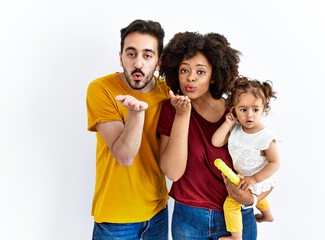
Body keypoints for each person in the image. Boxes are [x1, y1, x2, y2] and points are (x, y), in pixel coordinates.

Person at [157, 31, 270, 240]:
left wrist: (250, 200)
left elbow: (264, 160)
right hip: (189, 217)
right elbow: (173, 173)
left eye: (200, 72)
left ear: (213, 76)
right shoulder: (170, 110)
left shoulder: (237, 110)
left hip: (235, 218)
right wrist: (183, 114)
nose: (190, 77)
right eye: (184, 70)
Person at [86, 19, 170, 240]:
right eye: (131, 54)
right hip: (116, 219)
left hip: (158, 212)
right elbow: (124, 156)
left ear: (158, 62)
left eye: (147, 55)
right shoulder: (101, 89)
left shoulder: (167, 92)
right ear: (120, 57)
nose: (138, 63)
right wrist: (136, 113)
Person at [211, 76, 280, 240]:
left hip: (260, 178)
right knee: (255, 198)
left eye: (255, 110)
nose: (249, 115)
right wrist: (227, 124)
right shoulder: (236, 129)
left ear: (264, 109)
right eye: (243, 110)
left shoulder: (265, 137)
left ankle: (236, 237)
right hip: (245, 177)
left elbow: (275, 162)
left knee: (231, 204)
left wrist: (254, 179)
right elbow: (216, 141)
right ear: (234, 109)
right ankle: (267, 215)